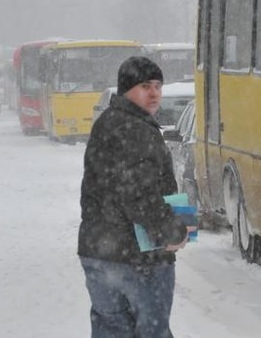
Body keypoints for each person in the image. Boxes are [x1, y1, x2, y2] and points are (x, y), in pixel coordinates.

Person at [78, 55, 196, 338]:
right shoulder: (136, 130)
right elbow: (137, 194)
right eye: (145, 86)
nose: (154, 93)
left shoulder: (108, 122)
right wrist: (172, 230)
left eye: (158, 85)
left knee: (111, 329)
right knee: (152, 331)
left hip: (99, 252)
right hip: (137, 258)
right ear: (126, 89)